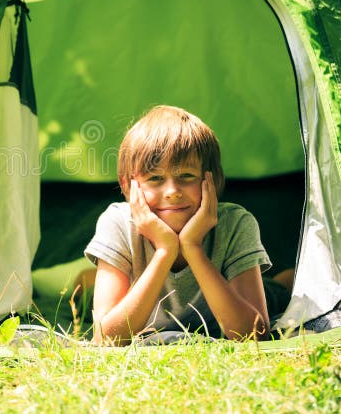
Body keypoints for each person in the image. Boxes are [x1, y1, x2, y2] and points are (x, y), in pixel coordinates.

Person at [85, 105, 272, 345]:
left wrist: (192, 247)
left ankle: (282, 281)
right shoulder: (117, 223)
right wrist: (165, 251)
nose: (172, 191)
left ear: (212, 179)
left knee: (276, 292)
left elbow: (254, 335)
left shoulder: (235, 224)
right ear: (128, 186)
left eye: (186, 176)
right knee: (83, 289)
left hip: (251, 294)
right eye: (155, 178)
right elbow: (106, 339)